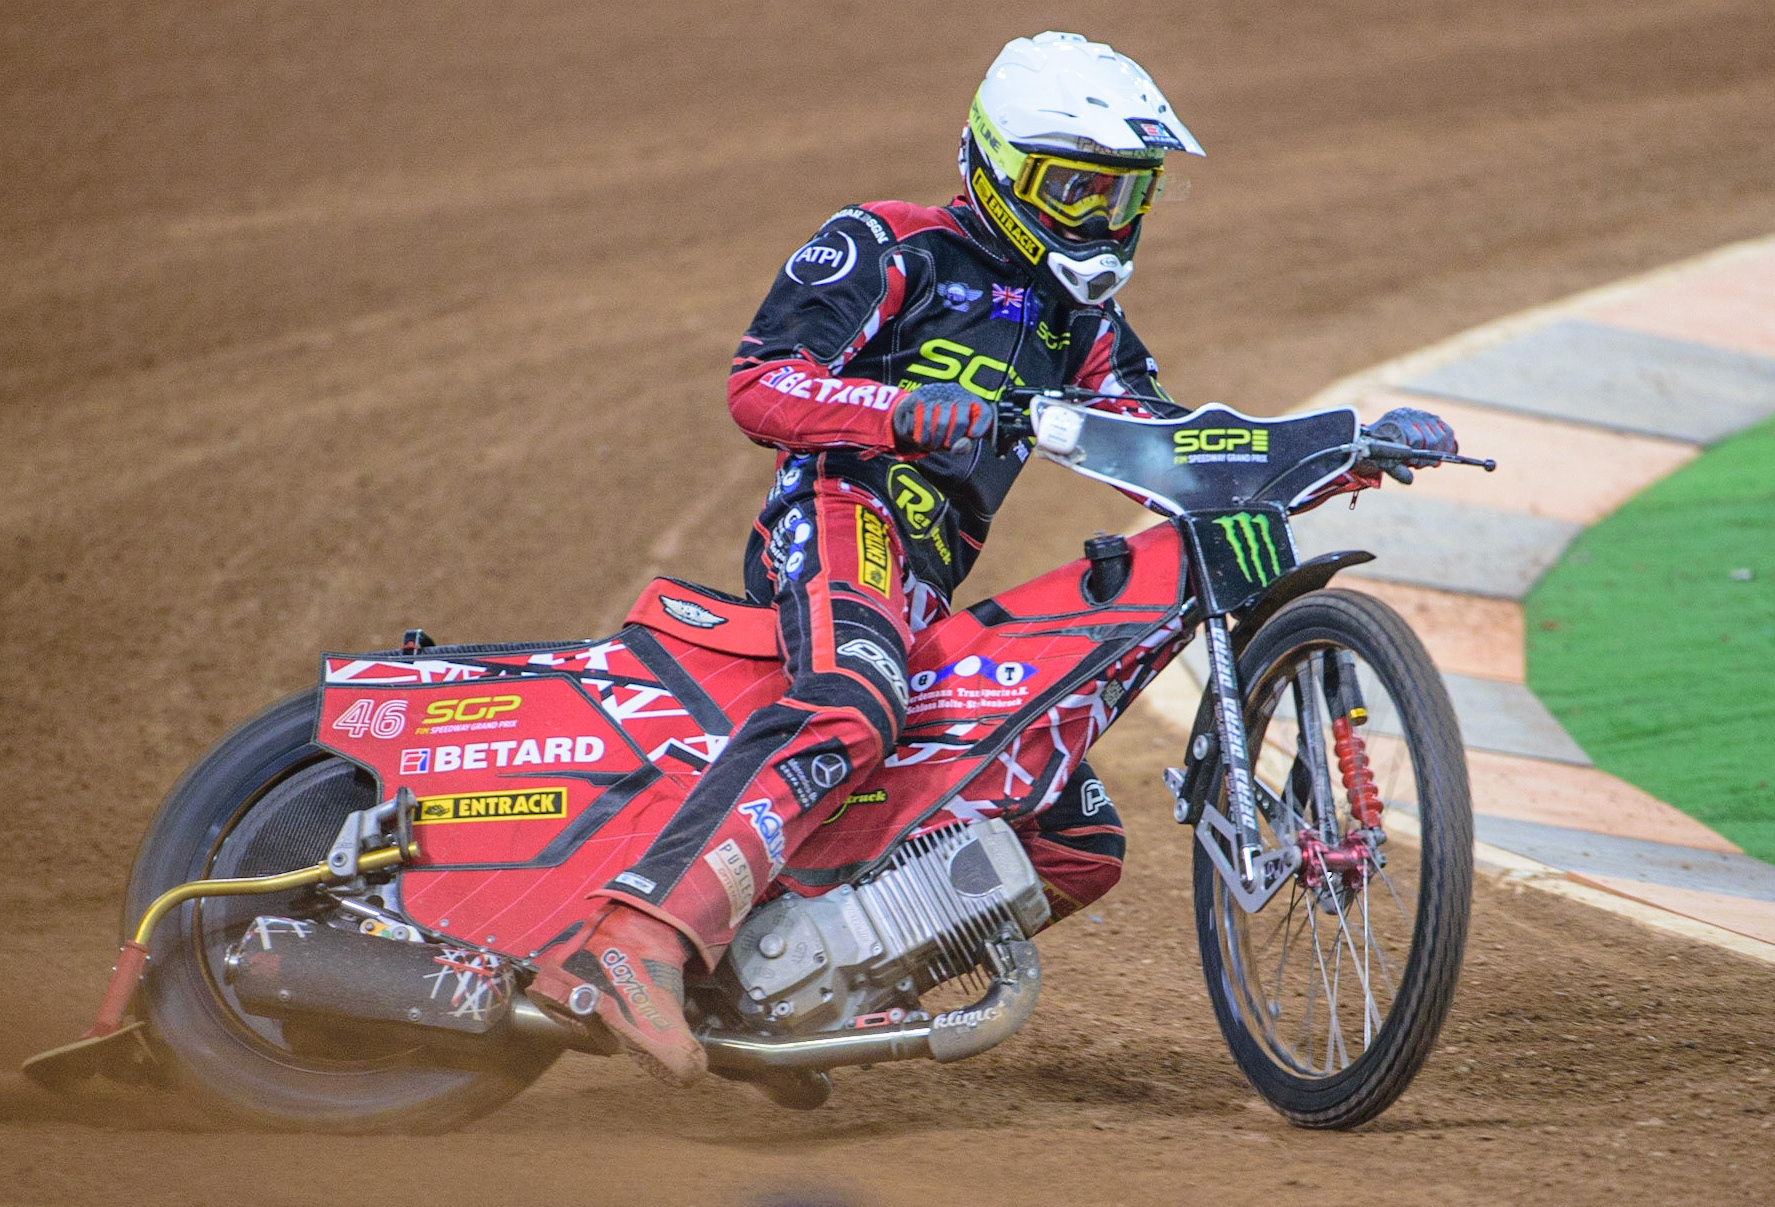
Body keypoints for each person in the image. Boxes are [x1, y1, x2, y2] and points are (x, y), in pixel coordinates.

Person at [534, 32, 1455, 1087]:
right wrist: (900, 409)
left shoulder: (1083, 325)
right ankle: (636, 937)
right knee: (853, 697)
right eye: (1076, 188)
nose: (1103, 222)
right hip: (843, 518)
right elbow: (760, 383)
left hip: (927, 586)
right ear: (999, 166)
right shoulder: (892, 245)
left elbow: (1162, 447)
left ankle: (804, 989)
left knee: (1074, 839)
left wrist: (1337, 450)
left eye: (1124, 196)